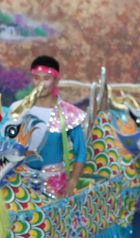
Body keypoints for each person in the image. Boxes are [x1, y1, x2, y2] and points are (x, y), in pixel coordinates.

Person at [16, 55, 87, 198]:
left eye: (46, 78)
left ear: (56, 80)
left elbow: (81, 152)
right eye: (36, 78)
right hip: (22, 183)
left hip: (55, 184)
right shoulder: (19, 109)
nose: (41, 84)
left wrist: (72, 181)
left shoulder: (68, 113)